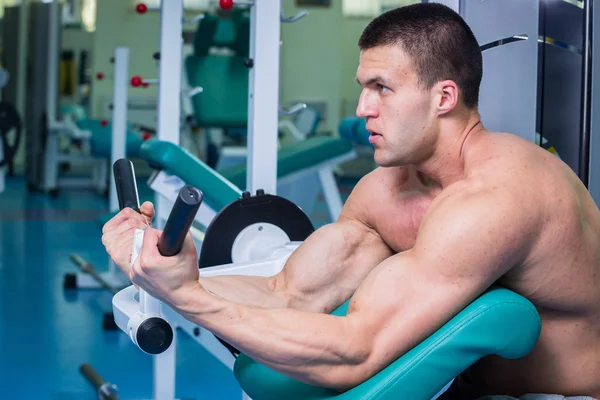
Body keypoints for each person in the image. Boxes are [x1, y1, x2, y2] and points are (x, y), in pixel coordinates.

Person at [101, 3, 600, 399]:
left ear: (444, 97)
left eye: (381, 88)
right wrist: (161, 267)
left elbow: (358, 352)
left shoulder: (497, 199)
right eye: (363, 87)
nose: (363, 107)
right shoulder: (385, 190)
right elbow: (286, 293)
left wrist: (187, 298)